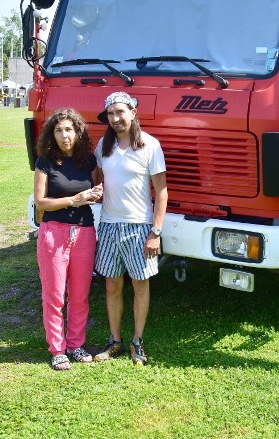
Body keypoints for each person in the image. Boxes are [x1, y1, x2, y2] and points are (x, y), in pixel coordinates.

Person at [92, 92, 167, 366]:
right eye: (110, 114)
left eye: (120, 112)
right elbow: (98, 179)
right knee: (112, 284)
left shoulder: (150, 145)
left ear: (133, 112)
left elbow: (161, 192)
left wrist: (155, 232)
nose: (115, 119)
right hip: (109, 226)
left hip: (140, 228)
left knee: (140, 285)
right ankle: (115, 341)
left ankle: (137, 341)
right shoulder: (104, 145)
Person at [34, 107, 103, 370]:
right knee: (54, 294)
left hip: (85, 232)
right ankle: (57, 349)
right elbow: (41, 202)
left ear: (78, 132)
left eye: (69, 130)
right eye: (59, 130)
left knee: (80, 295)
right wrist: (73, 200)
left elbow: (98, 188)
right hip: (54, 232)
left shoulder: (89, 162)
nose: (65, 136)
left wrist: (96, 193)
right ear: (53, 134)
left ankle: (75, 345)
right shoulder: (45, 162)